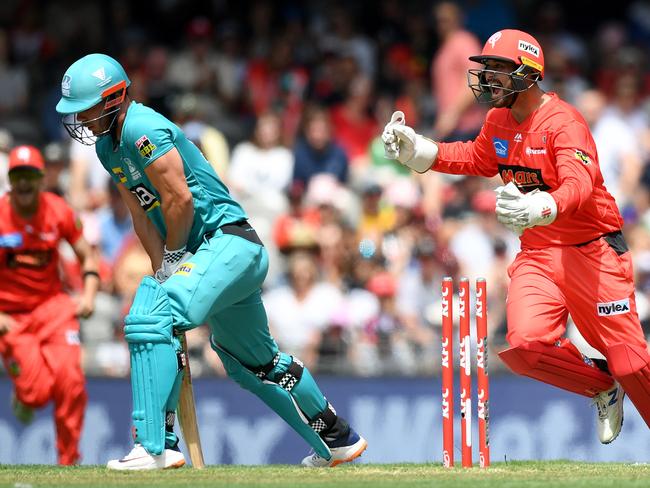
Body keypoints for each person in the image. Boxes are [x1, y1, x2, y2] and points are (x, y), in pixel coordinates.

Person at [56, 53, 367, 470]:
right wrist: (161, 268)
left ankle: (155, 446)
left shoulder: (142, 128)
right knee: (252, 363)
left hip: (227, 244)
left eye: (85, 109)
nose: (80, 120)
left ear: (113, 99)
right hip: (213, 254)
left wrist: (174, 257)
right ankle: (336, 436)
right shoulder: (108, 149)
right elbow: (141, 213)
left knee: (154, 315)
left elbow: (178, 198)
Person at [382, 29, 650, 444]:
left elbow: (580, 186)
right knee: (525, 346)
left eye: (498, 70)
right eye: (486, 70)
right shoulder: (499, 120)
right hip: (539, 251)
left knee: (632, 364)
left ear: (528, 73)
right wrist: (421, 150)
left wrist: (540, 206)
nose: (488, 80)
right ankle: (599, 385)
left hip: (592, 250)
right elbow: (476, 157)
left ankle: (616, 378)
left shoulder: (564, 122)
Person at [0, 145, 99, 465]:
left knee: (71, 380)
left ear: (42, 178)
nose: (25, 184)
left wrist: (88, 294)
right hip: (11, 317)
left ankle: (68, 463)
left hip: (53, 308)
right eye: (18, 176)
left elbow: (87, 253)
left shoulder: (58, 211)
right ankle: (24, 395)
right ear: (10, 180)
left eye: (31, 176)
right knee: (37, 393)